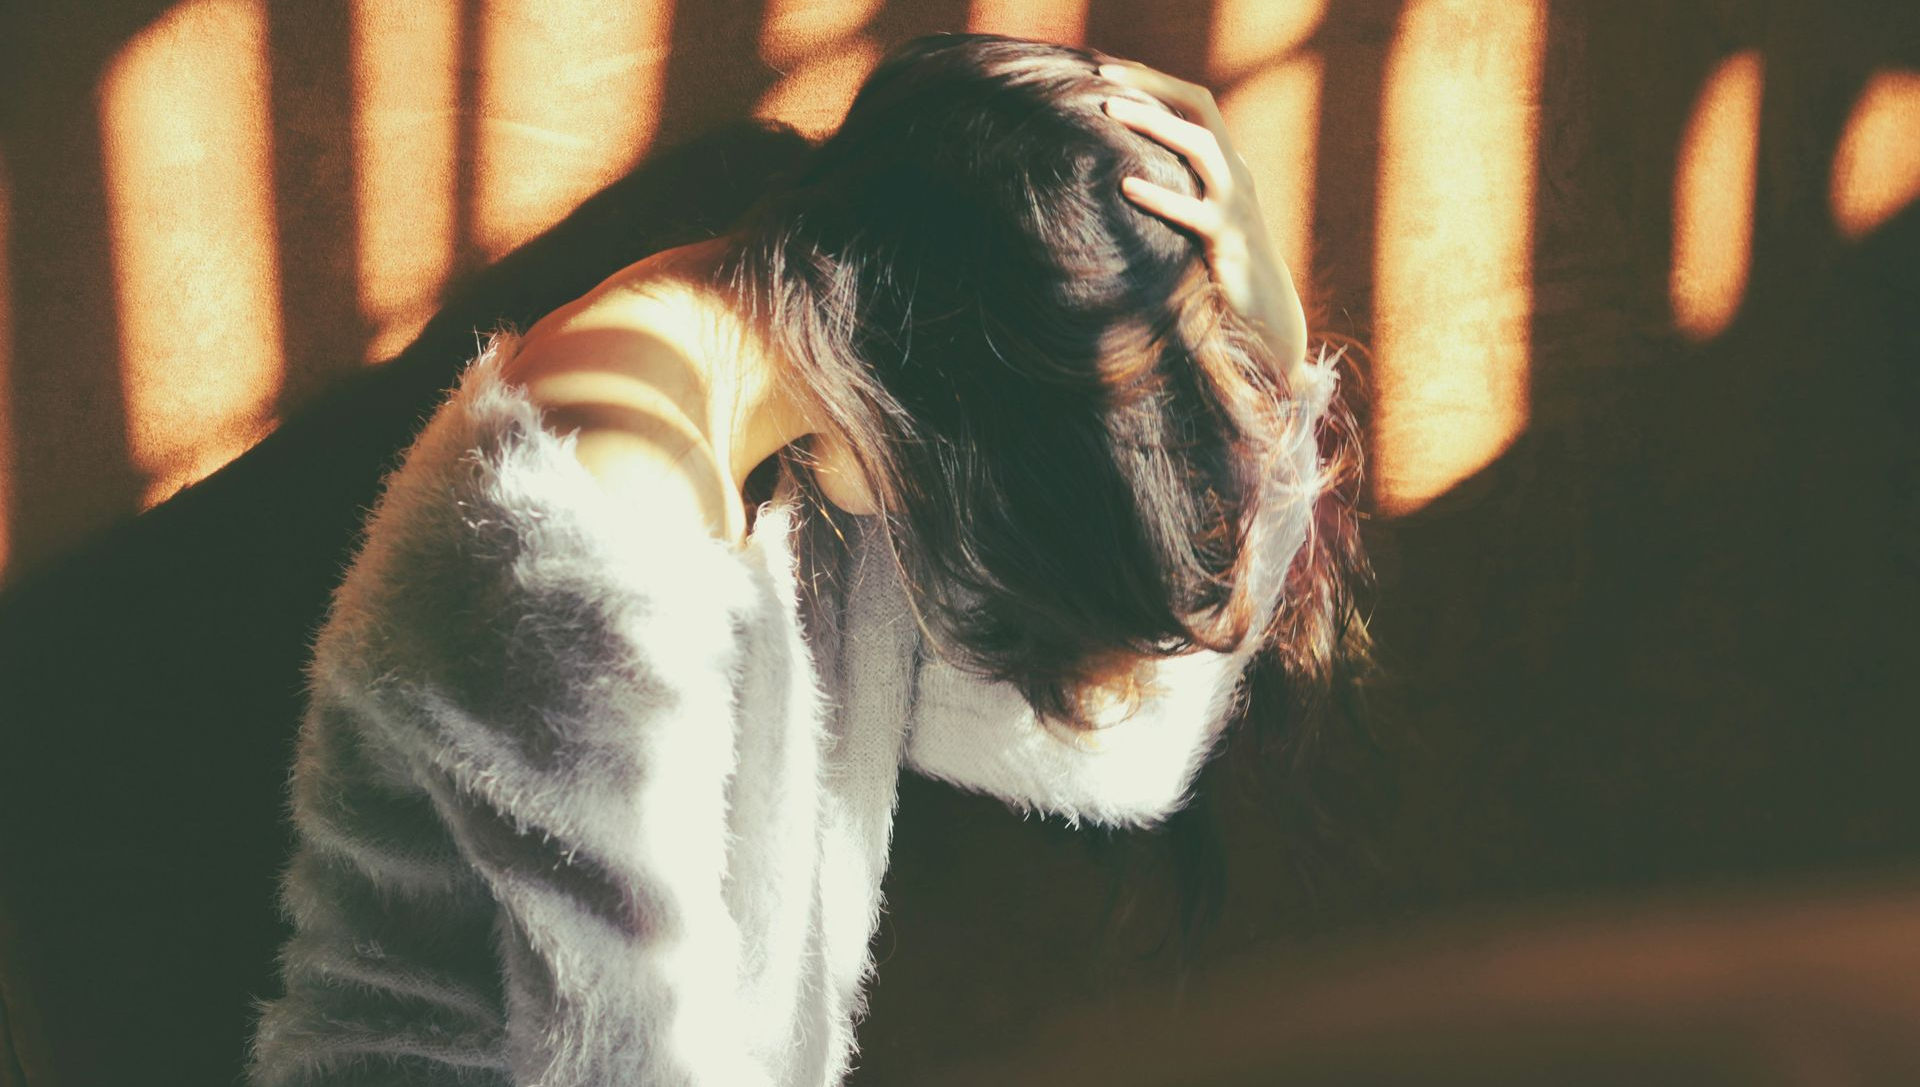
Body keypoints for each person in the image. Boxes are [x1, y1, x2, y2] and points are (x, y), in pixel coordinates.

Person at [244, 31, 1370, 1087]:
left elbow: (1103, 750)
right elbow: (628, 1064)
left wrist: (1269, 355)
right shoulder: (597, 510)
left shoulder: (822, 381)